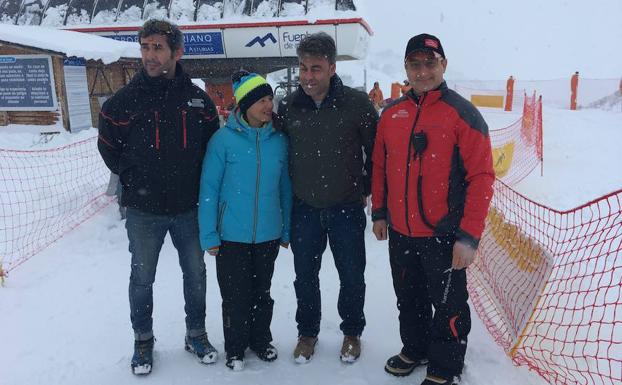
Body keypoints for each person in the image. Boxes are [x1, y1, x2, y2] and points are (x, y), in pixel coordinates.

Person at [97, 19, 220, 375]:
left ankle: (196, 333)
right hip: (143, 210)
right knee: (142, 277)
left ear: (177, 53)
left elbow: (213, 148)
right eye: (145, 47)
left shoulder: (198, 100)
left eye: (157, 48)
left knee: (195, 274)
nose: (149, 56)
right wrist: (134, 178)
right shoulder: (123, 102)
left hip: (189, 208)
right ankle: (143, 341)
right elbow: (108, 147)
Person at [371, 33, 494, 385]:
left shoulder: (462, 114)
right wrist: (379, 212)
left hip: (445, 235)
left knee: (448, 304)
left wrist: (469, 237)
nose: (422, 71)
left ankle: (445, 365)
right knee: (408, 297)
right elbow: (379, 166)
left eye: (430, 63)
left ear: (443, 65)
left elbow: (482, 177)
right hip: (401, 232)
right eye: (415, 64)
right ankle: (415, 347)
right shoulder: (392, 113)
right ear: (405, 68)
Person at [277, 32, 378, 364]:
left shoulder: (357, 103)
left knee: (352, 275)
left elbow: (376, 152)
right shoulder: (288, 106)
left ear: (332, 68)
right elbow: (280, 154)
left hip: (346, 208)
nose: (308, 76)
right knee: (305, 277)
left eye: (316, 68)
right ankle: (307, 334)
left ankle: (352, 333)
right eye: (304, 68)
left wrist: (364, 189)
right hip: (304, 208)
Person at [198, 71, 292, 371]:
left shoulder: (278, 140)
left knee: (262, 294)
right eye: (262, 100)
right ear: (247, 103)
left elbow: (285, 189)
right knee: (235, 297)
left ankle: (260, 340)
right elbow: (209, 189)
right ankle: (235, 347)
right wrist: (209, 235)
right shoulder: (222, 141)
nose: (269, 105)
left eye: (270, 99)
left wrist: (286, 228)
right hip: (231, 236)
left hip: (268, 234)